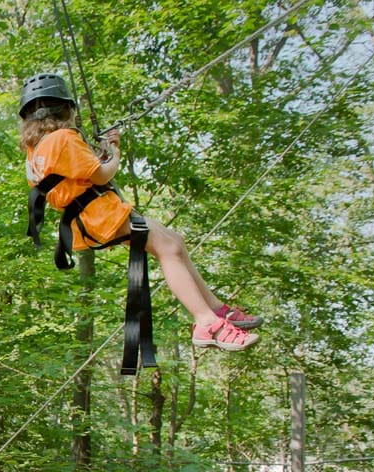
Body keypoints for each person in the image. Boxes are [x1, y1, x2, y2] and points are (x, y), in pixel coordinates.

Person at [19, 72, 262, 356]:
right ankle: (206, 323)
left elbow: (75, 174)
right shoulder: (63, 138)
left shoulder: (37, 149)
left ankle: (218, 310)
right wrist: (114, 155)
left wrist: (105, 151)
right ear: (66, 109)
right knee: (168, 247)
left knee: (174, 240)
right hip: (97, 213)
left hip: (89, 215)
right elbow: (100, 174)